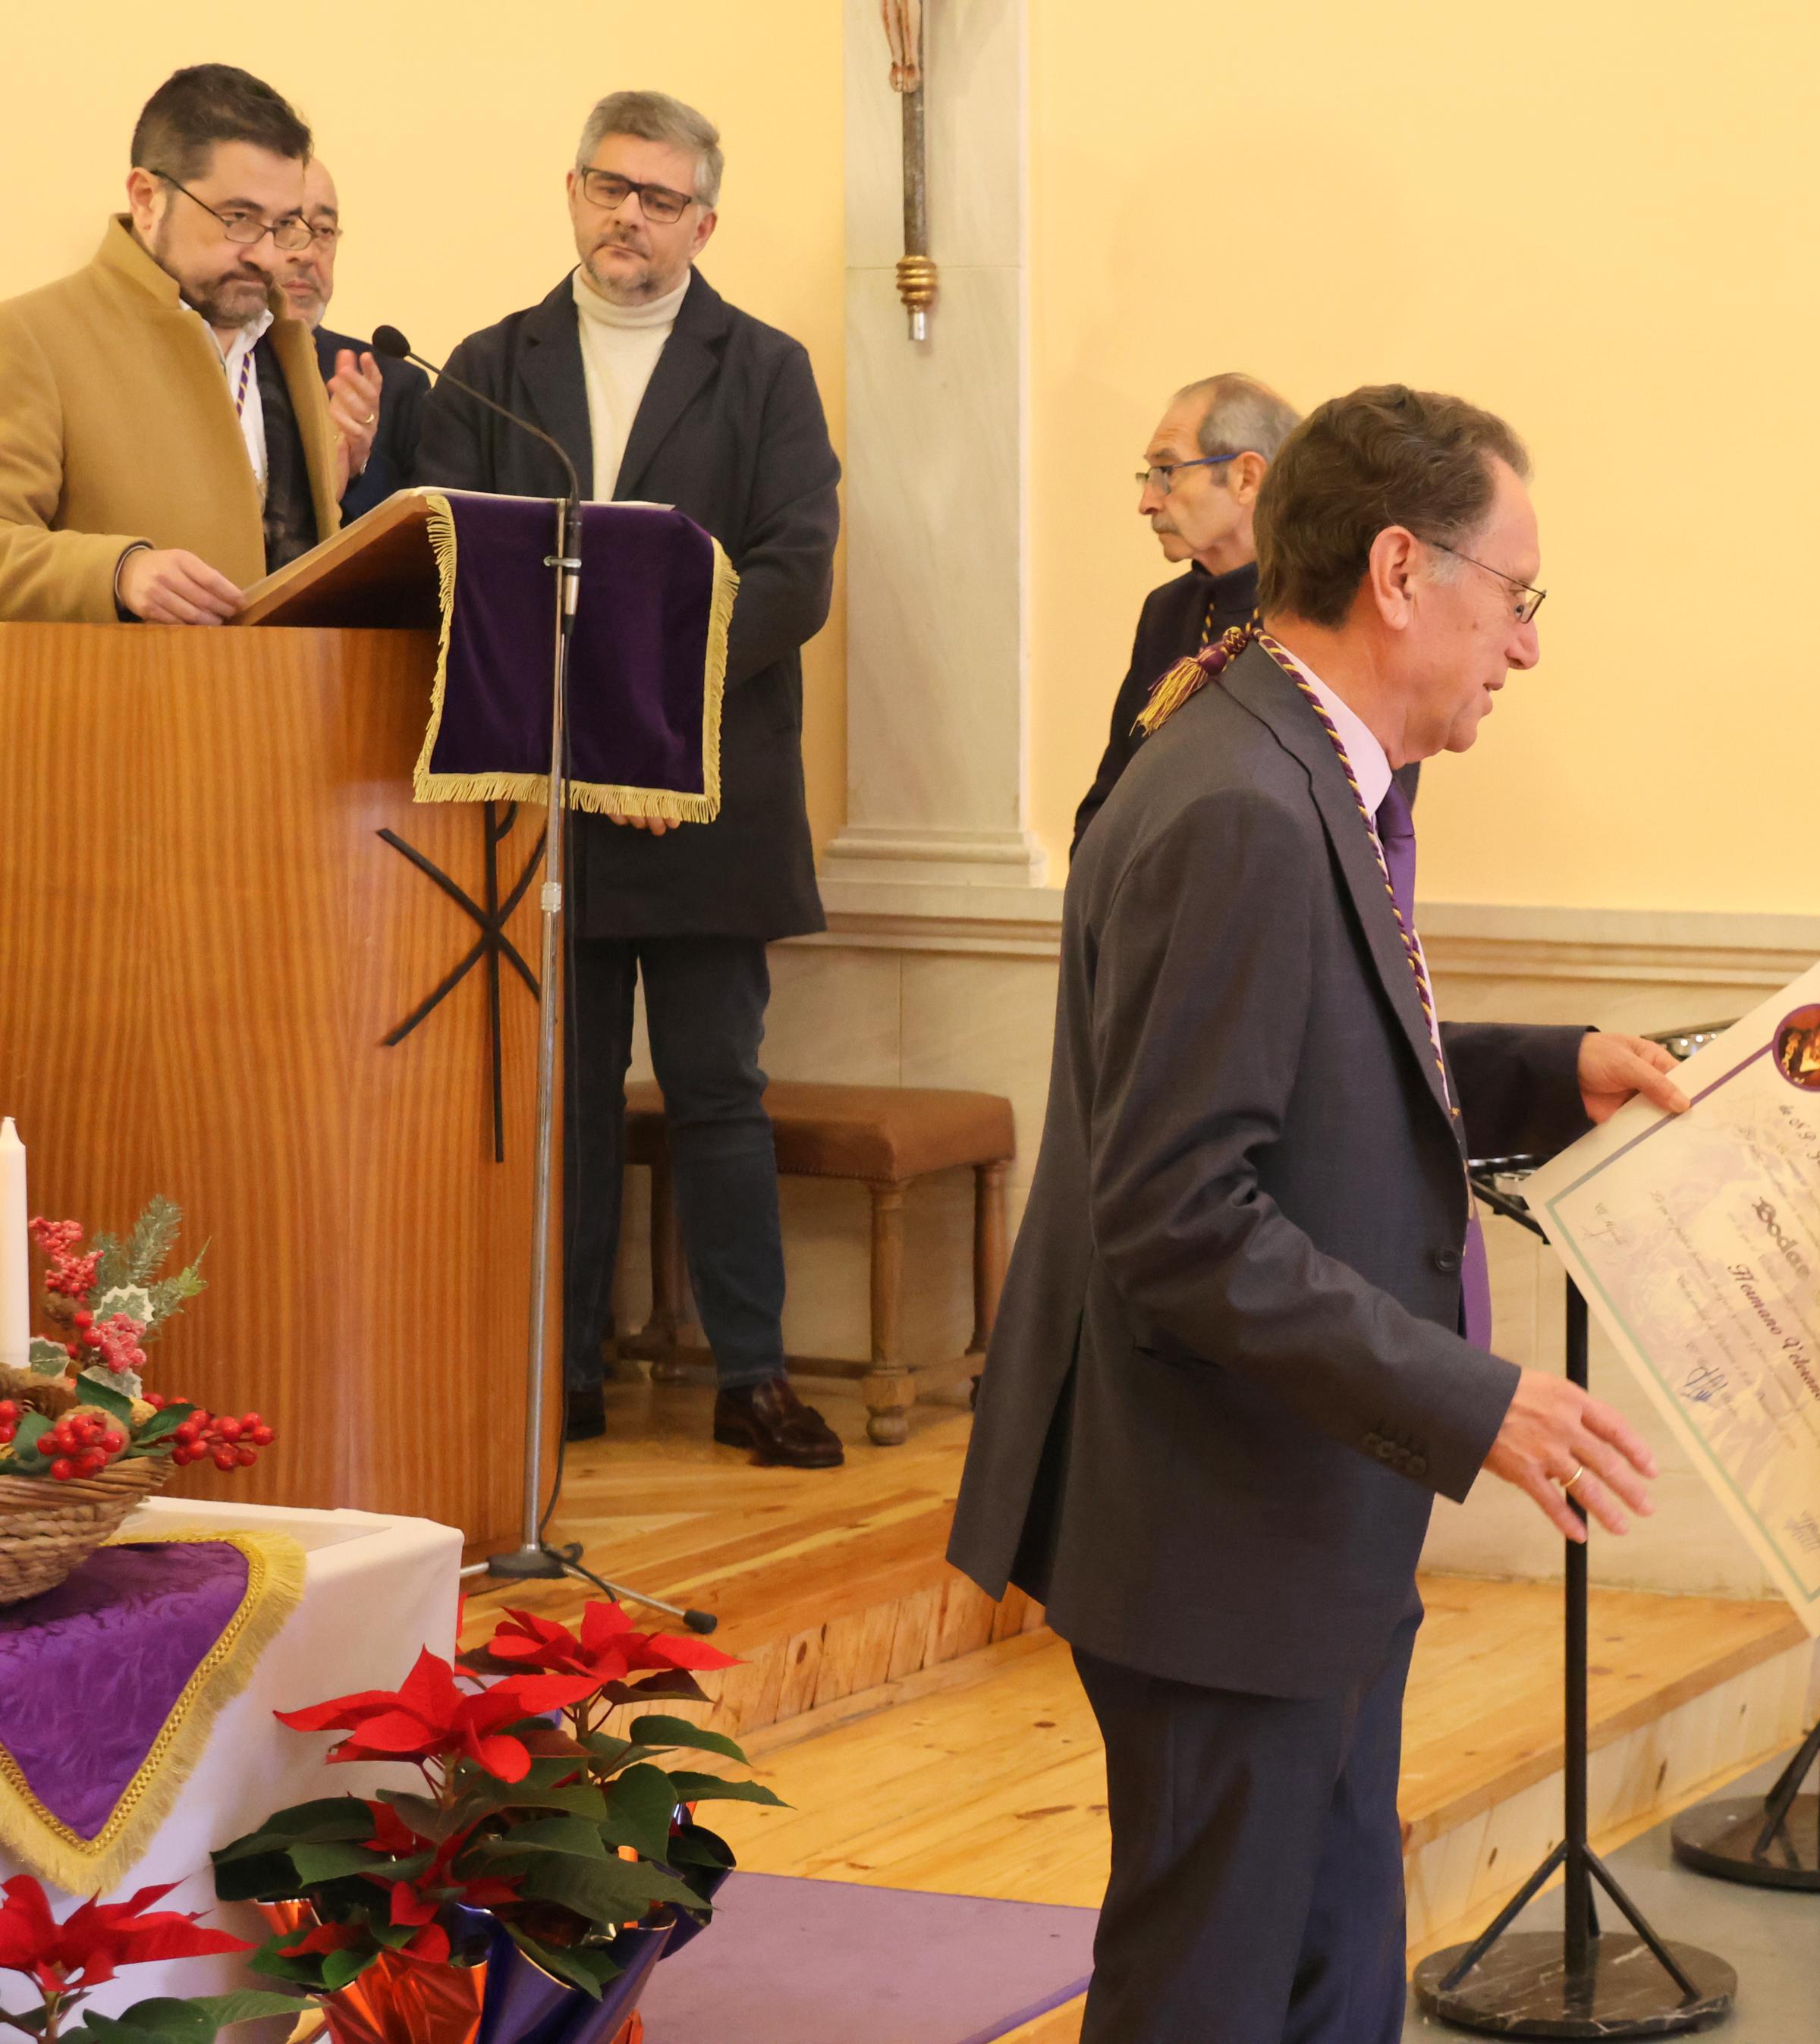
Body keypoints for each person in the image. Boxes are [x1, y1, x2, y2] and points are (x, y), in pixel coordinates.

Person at [949, 385, 1690, 2043]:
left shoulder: (1289, 757)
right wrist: (1472, 1398)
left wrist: (1538, 1068)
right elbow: (1181, 1214)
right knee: (1216, 1992)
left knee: (1324, 1969)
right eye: (1517, 596)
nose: (1525, 645)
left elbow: (1321, 1059)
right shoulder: (1239, 802)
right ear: (1400, 574)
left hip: (1291, 1514)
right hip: (1220, 1528)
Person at [412, 90, 844, 1469]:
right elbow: (451, 567)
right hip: (548, 798)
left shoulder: (765, 370)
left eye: (659, 199)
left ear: (704, 222)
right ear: (572, 192)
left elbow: (793, 573)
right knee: (571, 1093)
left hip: (703, 787)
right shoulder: (488, 366)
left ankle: (753, 1375)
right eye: (609, 188)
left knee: (720, 1087)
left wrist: (656, 714)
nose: (628, 218)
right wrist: (582, 725)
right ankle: (568, 1366)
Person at [0, 64, 341, 624]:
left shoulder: (286, 343)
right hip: (115, 705)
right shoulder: (31, 336)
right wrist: (118, 572)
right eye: (238, 218)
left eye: (285, 225)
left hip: (284, 703)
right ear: (147, 198)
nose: (268, 255)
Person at [1069, 372, 1302, 851]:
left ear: (1246, 478)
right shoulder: (1168, 612)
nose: (1147, 502)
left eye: (1167, 472)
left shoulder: (1322, 612)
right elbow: (1114, 792)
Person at [279, 159, 428, 523]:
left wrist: (358, 465)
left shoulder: (394, 385)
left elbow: (419, 547)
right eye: (285, 226)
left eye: (324, 231)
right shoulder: (199, 366)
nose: (307, 253)